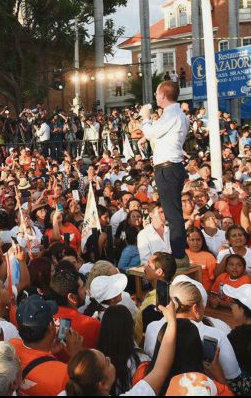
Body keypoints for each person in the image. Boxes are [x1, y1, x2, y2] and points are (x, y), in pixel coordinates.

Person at [66, 301, 178, 396]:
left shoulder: (67, 391)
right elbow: (160, 370)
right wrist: (172, 322)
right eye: (107, 361)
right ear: (103, 384)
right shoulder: (140, 361)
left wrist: (75, 354)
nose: (109, 358)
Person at [139, 81, 190, 269]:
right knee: (173, 212)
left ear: (163, 95)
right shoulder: (177, 115)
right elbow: (159, 135)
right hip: (171, 166)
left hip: (168, 168)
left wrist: (145, 119)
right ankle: (178, 252)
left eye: (157, 93)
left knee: (172, 213)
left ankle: (178, 256)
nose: (155, 96)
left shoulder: (173, 114)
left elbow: (153, 132)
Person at [10, 294, 81, 396]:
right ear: (51, 327)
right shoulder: (62, 374)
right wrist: (77, 355)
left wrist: (49, 352)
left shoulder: (11, 347)